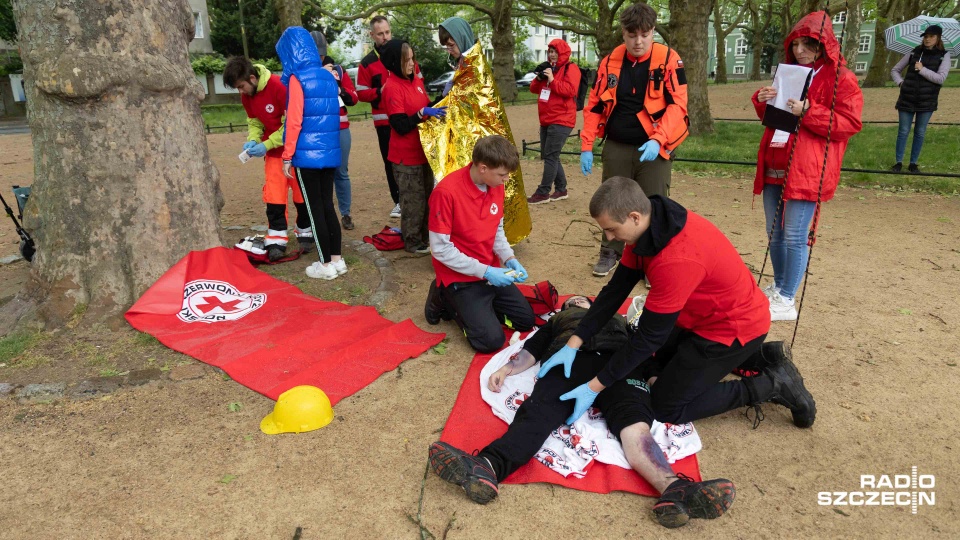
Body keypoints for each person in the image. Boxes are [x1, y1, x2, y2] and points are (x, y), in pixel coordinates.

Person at [536, 178, 816, 470]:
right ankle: (762, 356)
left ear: (634, 216)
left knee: (668, 405)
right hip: (695, 318)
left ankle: (773, 383)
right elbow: (614, 292)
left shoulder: (676, 258)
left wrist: (594, 386)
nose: (610, 238)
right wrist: (575, 341)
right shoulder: (648, 229)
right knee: (652, 368)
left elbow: (648, 338)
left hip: (731, 327)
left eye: (611, 229)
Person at [428, 295, 739, 529]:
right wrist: (509, 367)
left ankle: (674, 491)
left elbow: (647, 348)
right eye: (571, 301)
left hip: (620, 367)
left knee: (635, 425)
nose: (577, 299)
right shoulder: (559, 321)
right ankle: (487, 467)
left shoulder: (617, 317)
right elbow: (532, 350)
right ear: (565, 309)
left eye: (582, 299)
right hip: (570, 362)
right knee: (537, 413)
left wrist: (655, 378)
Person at [751, 11, 863, 321]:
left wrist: (810, 110)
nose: (800, 50)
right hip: (776, 162)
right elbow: (774, 117)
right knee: (774, 233)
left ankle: (787, 299)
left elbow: (849, 124)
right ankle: (780, 286)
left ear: (824, 44)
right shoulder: (788, 73)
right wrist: (763, 99)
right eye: (796, 44)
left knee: (795, 236)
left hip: (806, 170)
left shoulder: (842, 77)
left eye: (808, 44)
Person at [579, 3, 689, 277]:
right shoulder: (609, 62)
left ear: (653, 32)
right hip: (617, 145)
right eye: (631, 35)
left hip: (654, 147)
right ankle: (609, 252)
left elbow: (678, 106)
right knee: (611, 200)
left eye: (644, 34)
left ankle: (654, 260)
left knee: (653, 202)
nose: (638, 41)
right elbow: (593, 106)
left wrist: (658, 139)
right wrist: (586, 146)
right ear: (623, 34)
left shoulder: (669, 59)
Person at [423, 135, 535, 353]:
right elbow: (440, 249)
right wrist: (485, 271)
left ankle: (479, 307)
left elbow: (497, 229)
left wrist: (509, 258)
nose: (506, 179)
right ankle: (443, 294)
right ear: (483, 168)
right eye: (502, 174)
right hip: (460, 275)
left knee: (525, 320)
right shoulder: (446, 193)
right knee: (489, 341)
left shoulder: (495, 185)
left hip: (488, 270)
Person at [223, 56, 313, 260]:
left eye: (241, 86)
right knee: (274, 197)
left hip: (296, 152)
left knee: (301, 194)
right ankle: (276, 240)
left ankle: (305, 233)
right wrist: (253, 140)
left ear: (252, 78)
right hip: (272, 156)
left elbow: (292, 123)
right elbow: (254, 121)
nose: (241, 92)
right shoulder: (247, 95)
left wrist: (267, 143)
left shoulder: (279, 87)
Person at [275, 26, 344, 280]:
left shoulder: (297, 79)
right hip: (329, 151)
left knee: (314, 209)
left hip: (306, 155)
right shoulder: (328, 76)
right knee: (327, 205)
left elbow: (293, 121)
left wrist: (287, 155)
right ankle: (337, 259)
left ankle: (324, 264)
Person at [379, 39, 447, 253]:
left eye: (412, 58)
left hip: (423, 152)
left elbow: (425, 106)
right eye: (406, 60)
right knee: (413, 202)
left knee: (427, 198)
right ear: (394, 62)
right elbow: (399, 125)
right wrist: (420, 114)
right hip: (405, 158)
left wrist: (441, 99)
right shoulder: (391, 88)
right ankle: (412, 242)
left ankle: (425, 238)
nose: (411, 63)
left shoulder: (415, 81)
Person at [310, 31, 359, 232]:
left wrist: (338, 87)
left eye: (321, 53)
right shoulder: (305, 72)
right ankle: (323, 214)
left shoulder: (338, 69)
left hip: (340, 128)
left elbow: (353, 98)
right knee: (322, 174)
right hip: (318, 130)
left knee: (341, 172)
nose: (320, 57)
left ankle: (346, 213)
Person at [356, 16, 403, 219]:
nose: (385, 37)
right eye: (380, 34)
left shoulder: (404, 53)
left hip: (406, 118)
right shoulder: (367, 63)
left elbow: (417, 77)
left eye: (387, 32)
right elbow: (360, 93)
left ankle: (416, 198)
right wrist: (380, 91)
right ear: (372, 35)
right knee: (390, 162)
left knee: (412, 160)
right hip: (383, 122)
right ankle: (398, 201)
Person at [890, 24, 951, 174]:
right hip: (907, 98)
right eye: (926, 36)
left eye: (931, 36)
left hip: (927, 101)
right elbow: (895, 70)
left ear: (938, 38)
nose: (927, 39)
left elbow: (940, 78)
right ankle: (898, 162)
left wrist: (922, 70)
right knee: (903, 131)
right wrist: (901, 83)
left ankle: (913, 163)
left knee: (920, 132)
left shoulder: (944, 55)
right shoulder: (913, 53)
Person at [526, 39, 581, 205]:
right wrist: (540, 77)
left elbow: (570, 90)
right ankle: (561, 189)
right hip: (546, 118)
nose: (551, 54)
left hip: (562, 119)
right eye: (550, 51)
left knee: (550, 156)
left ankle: (543, 192)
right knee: (549, 154)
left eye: (554, 52)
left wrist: (552, 80)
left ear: (562, 53)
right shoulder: (549, 69)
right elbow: (533, 89)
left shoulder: (571, 68)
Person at [437, 17, 476, 96]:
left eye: (451, 45)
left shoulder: (476, 66)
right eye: (446, 46)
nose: (449, 50)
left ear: (462, 39)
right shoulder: (462, 63)